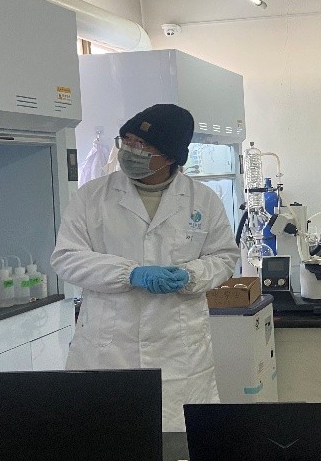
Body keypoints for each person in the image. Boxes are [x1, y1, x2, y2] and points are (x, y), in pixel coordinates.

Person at [51, 104, 238, 431]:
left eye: (143, 145)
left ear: (170, 156)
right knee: (106, 443)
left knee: (178, 448)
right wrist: (129, 273)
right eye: (127, 141)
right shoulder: (92, 197)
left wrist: (191, 275)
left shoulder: (203, 201)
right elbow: (66, 257)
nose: (131, 151)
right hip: (108, 350)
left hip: (179, 351)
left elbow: (224, 257)